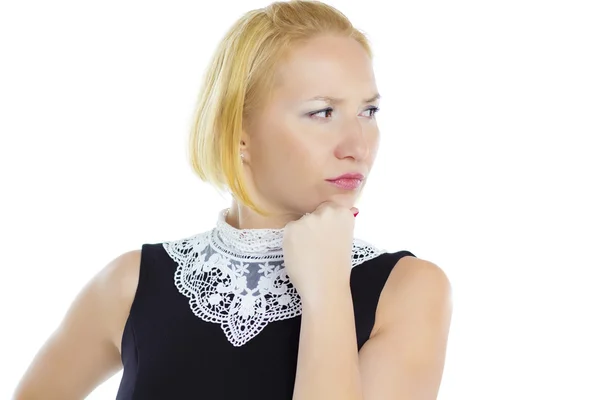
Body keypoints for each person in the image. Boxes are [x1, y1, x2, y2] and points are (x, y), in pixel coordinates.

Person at [13, 1, 452, 399]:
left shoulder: (409, 291)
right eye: (323, 112)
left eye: (368, 111)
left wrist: (326, 292)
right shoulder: (130, 285)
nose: (358, 144)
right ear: (239, 134)